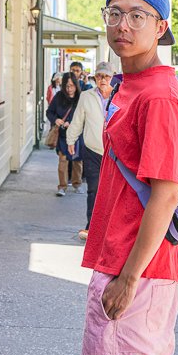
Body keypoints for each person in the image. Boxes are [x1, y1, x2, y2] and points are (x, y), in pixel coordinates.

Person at [80, 0, 178, 355]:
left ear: (160, 28)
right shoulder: (129, 85)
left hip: (136, 268)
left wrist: (127, 279)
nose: (123, 25)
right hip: (133, 263)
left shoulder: (158, 95)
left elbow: (166, 195)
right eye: (115, 14)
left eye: (137, 16)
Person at [67, 61, 115, 241]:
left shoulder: (119, 95)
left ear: (113, 77)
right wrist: (71, 139)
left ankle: (110, 228)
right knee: (93, 190)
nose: (103, 80)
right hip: (93, 151)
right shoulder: (87, 96)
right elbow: (78, 119)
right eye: (100, 76)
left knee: (113, 191)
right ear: (95, 78)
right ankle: (92, 228)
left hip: (114, 152)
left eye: (107, 76)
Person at [46, 72, 83, 196]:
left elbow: (85, 116)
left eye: (72, 86)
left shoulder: (81, 97)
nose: (69, 89)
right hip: (62, 135)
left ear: (76, 85)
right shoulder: (59, 97)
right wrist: (56, 120)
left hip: (77, 135)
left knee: (77, 160)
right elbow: (49, 112)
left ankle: (77, 183)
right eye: (67, 86)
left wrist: (72, 123)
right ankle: (62, 186)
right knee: (63, 160)